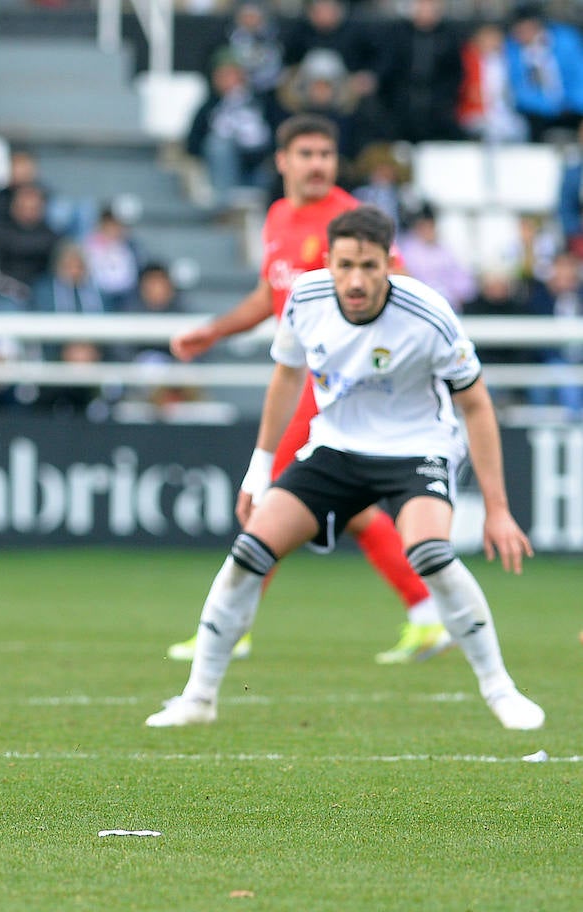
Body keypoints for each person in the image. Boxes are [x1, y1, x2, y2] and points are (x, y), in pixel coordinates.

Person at [145, 206, 544, 732]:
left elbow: (476, 404)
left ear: (388, 265)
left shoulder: (428, 313)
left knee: (429, 553)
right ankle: (199, 698)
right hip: (334, 448)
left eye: (370, 266)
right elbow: (286, 379)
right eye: (346, 264)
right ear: (329, 261)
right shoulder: (306, 299)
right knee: (248, 552)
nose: (356, 280)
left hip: (416, 447)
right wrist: (259, 468)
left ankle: (499, 689)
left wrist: (497, 509)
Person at [168, 114, 444, 666]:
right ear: (282, 161)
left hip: (333, 391)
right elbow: (272, 297)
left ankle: (227, 628)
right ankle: (427, 616)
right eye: (307, 154)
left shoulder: (349, 220)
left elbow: (403, 291)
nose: (318, 164)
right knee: (359, 513)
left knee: (266, 496)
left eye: (326, 154)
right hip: (312, 387)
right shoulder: (277, 217)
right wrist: (215, 330)